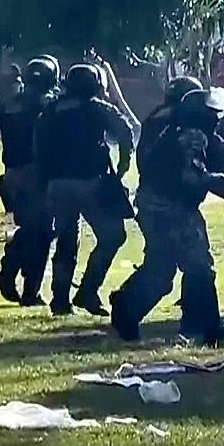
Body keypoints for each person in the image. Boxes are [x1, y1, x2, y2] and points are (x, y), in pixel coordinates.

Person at [108, 87, 224, 344]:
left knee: (162, 269)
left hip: (156, 204)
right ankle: (205, 326)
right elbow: (193, 178)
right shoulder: (191, 137)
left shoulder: (178, 130)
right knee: (198, 266)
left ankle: (126, 309)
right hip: (169, 207)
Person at [33, 63, 134, 316]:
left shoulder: (51, 111)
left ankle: (60, 299)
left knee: (67, 240)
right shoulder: (98, 109)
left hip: (57, 185)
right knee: (113, 236)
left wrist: (45, 181)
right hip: (91, 183)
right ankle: (88, 290)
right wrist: (123, 164)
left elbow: (38, 147)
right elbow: (125, 130)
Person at [0, 55, 60, 307]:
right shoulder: (45, 106)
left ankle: (9, 272)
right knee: (42, 232)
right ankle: (29, 289)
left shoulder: (10, 106)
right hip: (36, 176)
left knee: (21, 229)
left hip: (10, 176)